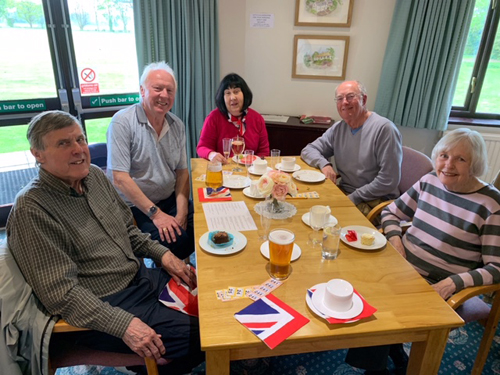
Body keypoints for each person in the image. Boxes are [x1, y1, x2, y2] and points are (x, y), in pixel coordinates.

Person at [6, 111, 203, 375]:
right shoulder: (32, 209)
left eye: (80, 139)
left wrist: (164, 255)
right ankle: (128, 361)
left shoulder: (95, 178)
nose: (79, 150)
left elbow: (128, 232)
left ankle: (151, 357)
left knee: (209, 303)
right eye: (64, 143)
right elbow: (62, 295)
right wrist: (124, 326)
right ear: (38, 154)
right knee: (199, 338)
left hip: (139, 278)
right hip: (106, 303)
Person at [346, 128, 500, 375]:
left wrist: (452, 284)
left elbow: (497, 267)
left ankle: (376, 369)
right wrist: (396, 241)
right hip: (403, 266)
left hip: (439, 283)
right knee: (357, 283)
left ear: (475, 163)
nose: (448, 165)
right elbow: (391, 212)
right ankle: (392, 352)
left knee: (381, 309)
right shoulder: (429, 181)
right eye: (444, 155)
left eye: (461, 159)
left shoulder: (490, 205)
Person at [107, 61, 193, 260]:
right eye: (157, 88)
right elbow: (119, 177)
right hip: (137, 208)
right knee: (177, 241)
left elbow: (182, 172)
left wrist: (181, 212)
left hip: (169, 199)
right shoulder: (122, 122)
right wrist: (156, 214)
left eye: (169, 90)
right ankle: (170, 280)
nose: (164, 95)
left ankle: (182, 268)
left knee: (209, 222)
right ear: (142, 90)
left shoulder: (177, 125)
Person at [301, 80, 403, 217]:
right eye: (339, 98)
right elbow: (308, 150)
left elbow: (388, 180)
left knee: (322, 220)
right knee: (305, 208)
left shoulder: (385, 129)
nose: (344, 102)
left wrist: (353, 198)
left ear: (364, 99)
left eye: (350, 96)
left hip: (375, 201)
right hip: (345, 193)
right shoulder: (339, 128)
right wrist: (324, 164)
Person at [197, 73, 270, 163]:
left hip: (250, 170)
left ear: (244, 94)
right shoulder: (213, 118)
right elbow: (202, 148)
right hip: (223, 170)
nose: (232, 97)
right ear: (222, 98)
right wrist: (212, 154)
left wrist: (254, 164)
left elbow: (264, 151)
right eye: (228, 93)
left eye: (236, 92)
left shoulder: (257, 119)